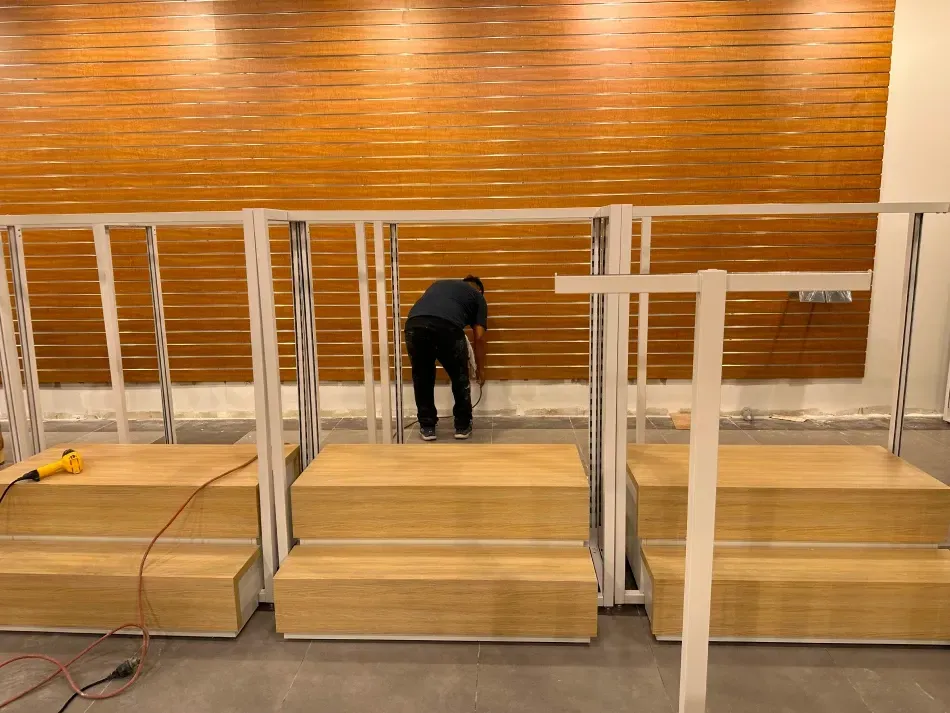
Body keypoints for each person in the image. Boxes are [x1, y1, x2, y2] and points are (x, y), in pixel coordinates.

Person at [404, 275, 487, 441]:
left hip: (414, 324)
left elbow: (428, 310)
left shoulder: (438, 285)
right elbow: (479, 336)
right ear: (479, 290)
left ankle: (427, 427)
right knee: (459, 377)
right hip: (447, 327)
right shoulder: (478, 297)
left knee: (423, 377)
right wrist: (480, 368)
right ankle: (462, 426)